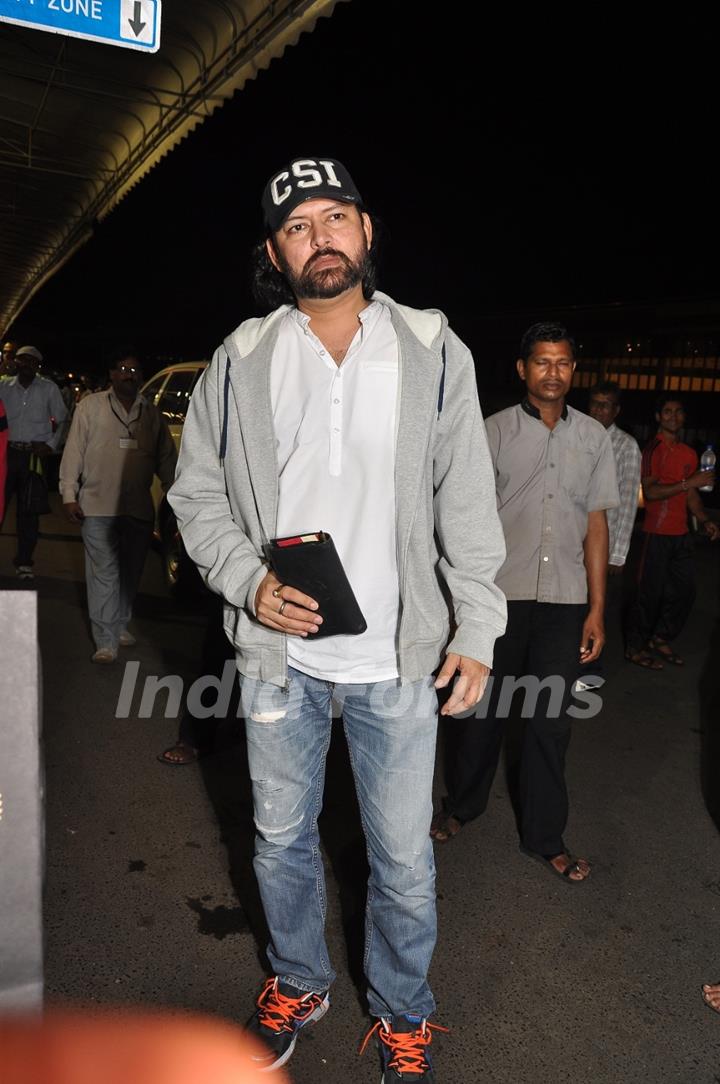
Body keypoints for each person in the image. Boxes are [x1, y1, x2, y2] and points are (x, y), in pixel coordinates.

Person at [168, 156, 507, 1080]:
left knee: (401, 858)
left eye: (334, 217)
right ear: (275, 255)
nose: (319, 236)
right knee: (279, 839)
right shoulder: (240, 361)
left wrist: (477, 626)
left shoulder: (434, 350)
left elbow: (467, 497)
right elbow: (196, 494)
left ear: (366, 231)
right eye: (296, 226)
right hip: (281, 658)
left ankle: (404, 1008)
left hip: (398, 661)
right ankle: (299, 980)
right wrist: (247, 581)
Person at [431, 322, 619, 885]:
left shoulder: (594, 437)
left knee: (550, 723)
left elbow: (596, 525)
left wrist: (596, 609)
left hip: (565, 603)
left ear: (573, 371)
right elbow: (463, 520)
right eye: (542, 362)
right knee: (479, 711)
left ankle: (545, 838)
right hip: (498, 598)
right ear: (522, 369)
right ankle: (462, 805)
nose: (553, 373)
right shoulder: (490, 433)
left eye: (563, 363)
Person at [59, 348, 177, 663]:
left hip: (137, 508)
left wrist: (176, 494)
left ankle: (119, 622)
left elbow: (166, 459)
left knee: (130, 572)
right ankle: (105, 640)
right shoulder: (90, 406)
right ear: (112, 374)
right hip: (97, 506)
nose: (129, 374)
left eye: (134, 370)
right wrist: (69, 493)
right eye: (123, 368)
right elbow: (74, 451)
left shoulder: (150, 414)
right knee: (104, 573)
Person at [625, 395, 718, 668]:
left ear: (684, 417)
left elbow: (691, 496)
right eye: (667, 412)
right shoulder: (652, 450)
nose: (673, 416)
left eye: (678, 412)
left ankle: (660, 637)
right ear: (658, 417)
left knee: (685, 592)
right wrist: (690, 481)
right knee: (648, 595)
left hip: (681, 536)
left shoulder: (688, 453)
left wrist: (704, 519)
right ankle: (635, 647)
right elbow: (651, 493)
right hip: (655, 535)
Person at [578, 380, 643, 685]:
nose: (599, 409)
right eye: (595, 403)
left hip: (605, 544)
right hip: (573, 544)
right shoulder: (576, 435)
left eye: (606, 405)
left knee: (597, 607)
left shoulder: (626, 446)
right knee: (573, 609)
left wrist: (617, 554)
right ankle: (570, 665)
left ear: (616, 410)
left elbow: (629, 501)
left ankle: (590, 671)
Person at [1, 345, 67, 579]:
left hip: (33, 457)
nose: (26, 365)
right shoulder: (3, 386)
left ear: (38, 365)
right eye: (21, 360)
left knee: (28, 511)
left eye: (31, 361)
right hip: (6, 455)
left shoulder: (48, 389)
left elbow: (61, 419)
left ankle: (24, 562)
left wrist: (50, 444)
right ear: (15, 362)